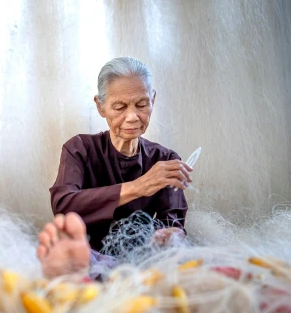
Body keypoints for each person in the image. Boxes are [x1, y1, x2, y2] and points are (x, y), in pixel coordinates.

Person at [40, 57, 192, 278]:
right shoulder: (79, 149)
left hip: (143, 261)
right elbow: (63, 205)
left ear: (153, 100)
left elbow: (174, 223)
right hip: (89, 254)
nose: (132, 117)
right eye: (119, 107)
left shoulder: (165, 159)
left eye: (142, 104)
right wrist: (139, 187)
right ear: (100, 106)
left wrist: (170, 235)